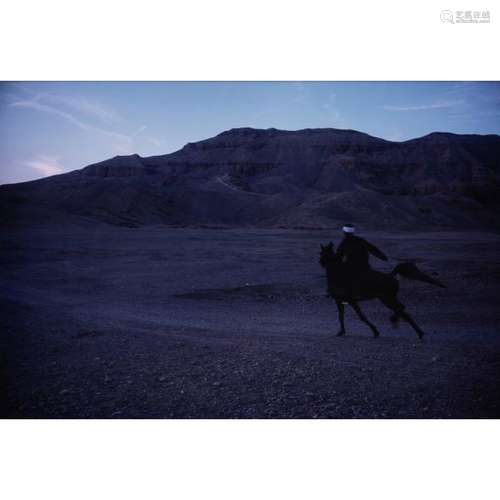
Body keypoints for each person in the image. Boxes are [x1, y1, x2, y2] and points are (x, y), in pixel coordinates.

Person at [336, 224, 388, 297]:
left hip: (351, 267)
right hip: (365, 265)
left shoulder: (343, 243)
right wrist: (383, 257)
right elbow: (373, 249)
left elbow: (338, 257)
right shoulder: (361, 240)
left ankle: (345, 298)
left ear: (344, 232)